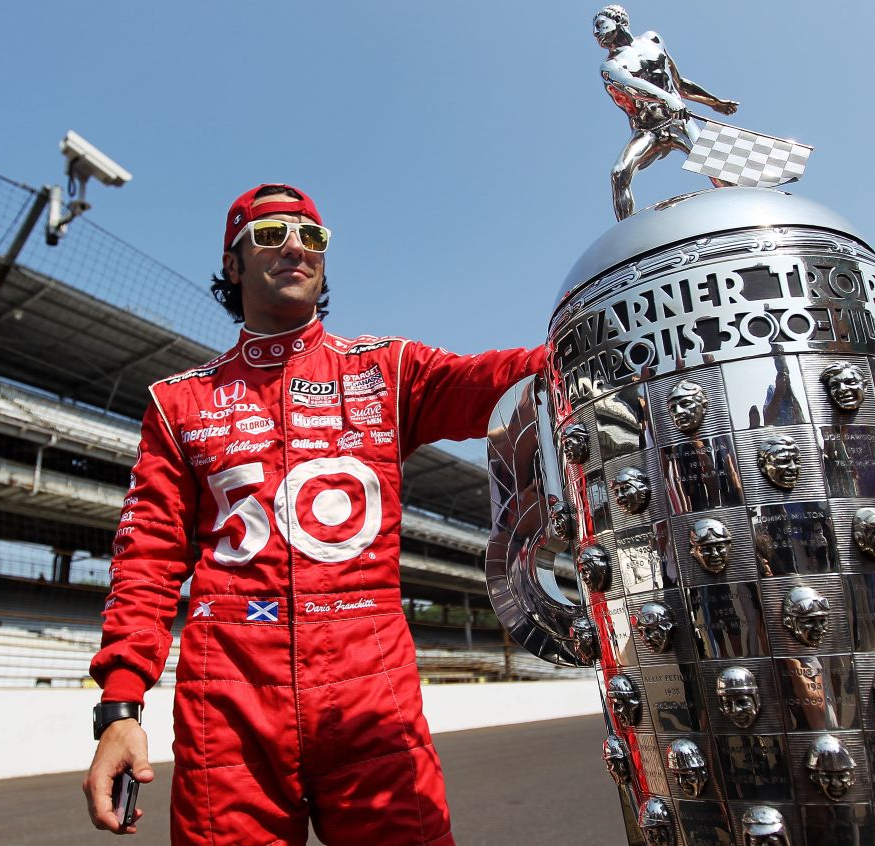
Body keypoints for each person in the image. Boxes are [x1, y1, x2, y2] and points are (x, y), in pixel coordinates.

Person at [82, 184, 545, 845]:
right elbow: (146, 561)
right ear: (233, 264)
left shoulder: (387, 368)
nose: (295, 244)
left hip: (372, 692)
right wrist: (119, 709)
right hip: (230, 699)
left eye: (311, 235)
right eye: (270, 234)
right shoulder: (177, 402)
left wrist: (597, 341)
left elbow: (496, 381)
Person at [593, 5, 739, 220]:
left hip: (678, 122)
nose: (596, 33)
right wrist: (668, 99)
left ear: (619, 21)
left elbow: (679, 84)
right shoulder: (610, 66)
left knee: (712, 164)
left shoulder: (653, 40)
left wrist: (714, 102)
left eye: (600, 25)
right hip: (647, 130)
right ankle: (627, 233)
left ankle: (741, 207)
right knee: (619, 173)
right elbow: (631, 84)